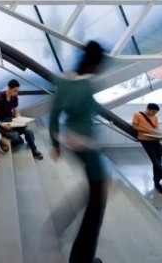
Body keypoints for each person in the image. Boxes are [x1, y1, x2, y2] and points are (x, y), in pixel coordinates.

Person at [49, 41, 110, 263]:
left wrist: (54, 143)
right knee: (98, 195)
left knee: (94, 193)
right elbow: (88, 112)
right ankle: (82, 257)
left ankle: (78, 251)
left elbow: (55, 113)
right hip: (86, 143)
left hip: (68, 139)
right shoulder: (86, 85)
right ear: (94, 63)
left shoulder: (64, 80)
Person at [0, 79, 44, 160]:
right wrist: (2, 125)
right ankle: (17, 139)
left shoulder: (14, 97)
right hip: (1, 123)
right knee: (15, 136)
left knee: (28, 131)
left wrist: (21, 120)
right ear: (9, 88)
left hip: (11, 121)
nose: (17, 93)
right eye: (15, 91)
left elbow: (16, 113)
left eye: (17, 91)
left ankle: (35, 150)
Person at [132, 103, 162, 194]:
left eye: (156, 113)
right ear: (148, 109)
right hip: (145, 140)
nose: (154, 114)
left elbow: (156, 128)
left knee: (159, 161)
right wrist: (147, 130)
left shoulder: (155, 117)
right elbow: (134, 126)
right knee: (155, 161)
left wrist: (160, 135)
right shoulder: (137, 115)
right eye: (153, 112)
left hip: (155, 140)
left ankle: (157, 182)